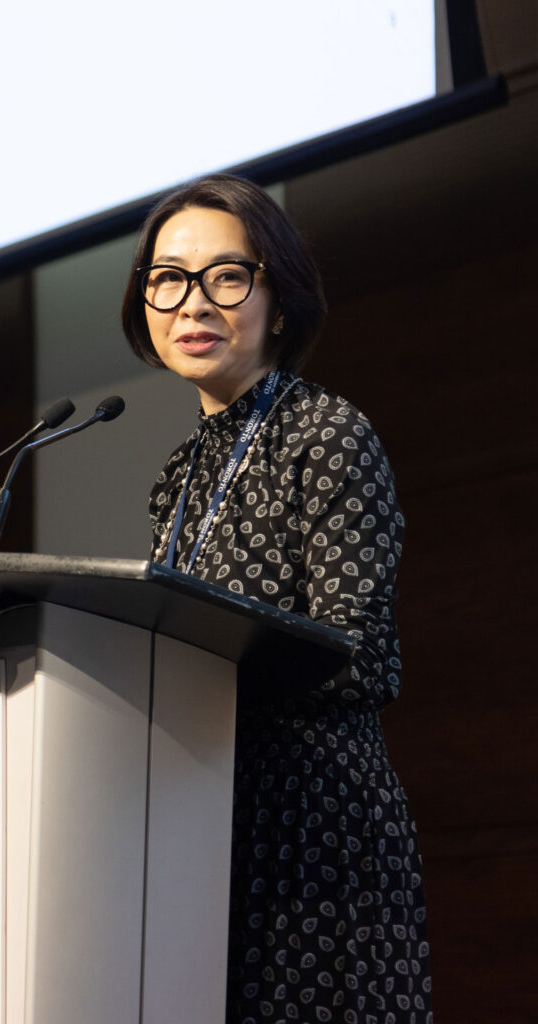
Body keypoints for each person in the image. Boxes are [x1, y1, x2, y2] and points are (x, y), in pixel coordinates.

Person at [121, 174, 432, 1024]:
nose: (194, 300)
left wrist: (209, 678)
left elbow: (358, 654)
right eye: (168, 277)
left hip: (313, 832)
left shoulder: (328, 436)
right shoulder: (177, 479)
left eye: (227, 275)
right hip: (204, 819)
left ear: (279, 300)